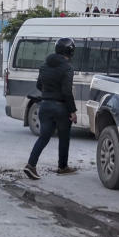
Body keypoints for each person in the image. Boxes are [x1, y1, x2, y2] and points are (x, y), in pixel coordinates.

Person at [24, 38, 78, 179]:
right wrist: (72, 111)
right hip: (61, 107)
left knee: (44, 137)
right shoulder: (67, 68)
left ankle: (31, 165)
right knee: (64, 137)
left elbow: (38, 85)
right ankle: (62, 167)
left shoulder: (44, 65)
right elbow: (67, 91)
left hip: (45, 105)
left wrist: (48, 93)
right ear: (70, 51)